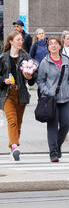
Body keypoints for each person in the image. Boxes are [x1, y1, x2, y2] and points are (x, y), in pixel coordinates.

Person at [0, 31, 37, 161]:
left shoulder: (26, 57)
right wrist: (4, 80)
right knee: (12, 120)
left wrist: (30, 76)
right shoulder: (3, 58)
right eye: (18, 40)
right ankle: (15, 146)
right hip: (7, 94)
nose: (20, 42)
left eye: (21, 40)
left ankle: (12, 148)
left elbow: (33, 79)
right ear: (11, 42)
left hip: (21, 93)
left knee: (19, 122)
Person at [36, 37, 69, 162]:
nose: (52, 46)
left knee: (66, 124)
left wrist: (68, 89)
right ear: (48, 47)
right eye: (50, 44)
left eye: (55, 44)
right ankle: (53, 152)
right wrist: (48, 92)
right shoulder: (44, 62)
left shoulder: (66, 60)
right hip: (51, 100)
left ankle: (57, 146)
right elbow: (40, 81)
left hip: (65, 99)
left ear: (59, 46)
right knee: (52, 127)